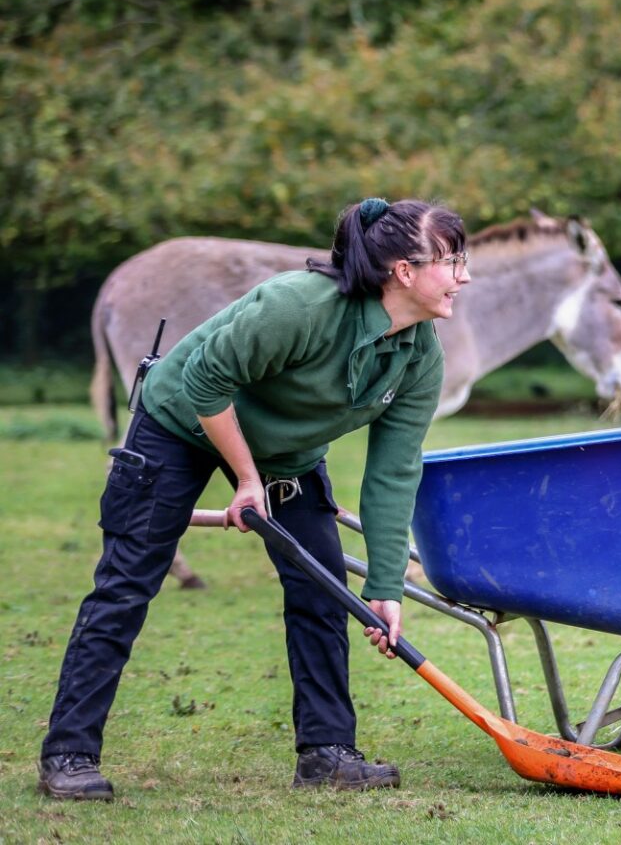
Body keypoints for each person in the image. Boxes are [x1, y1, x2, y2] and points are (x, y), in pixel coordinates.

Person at [39, 198, 468, 801]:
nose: (464, 275)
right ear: (403, 270)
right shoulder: (299, 305)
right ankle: (69, 753)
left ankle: (327, 753)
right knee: (127, 584)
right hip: (180, 423)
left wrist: (387, 588)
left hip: (287, 457)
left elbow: (395, 472)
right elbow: (205, 382)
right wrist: (246, 479)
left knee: (321, 592)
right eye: (452, 260)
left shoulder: (419, 354)